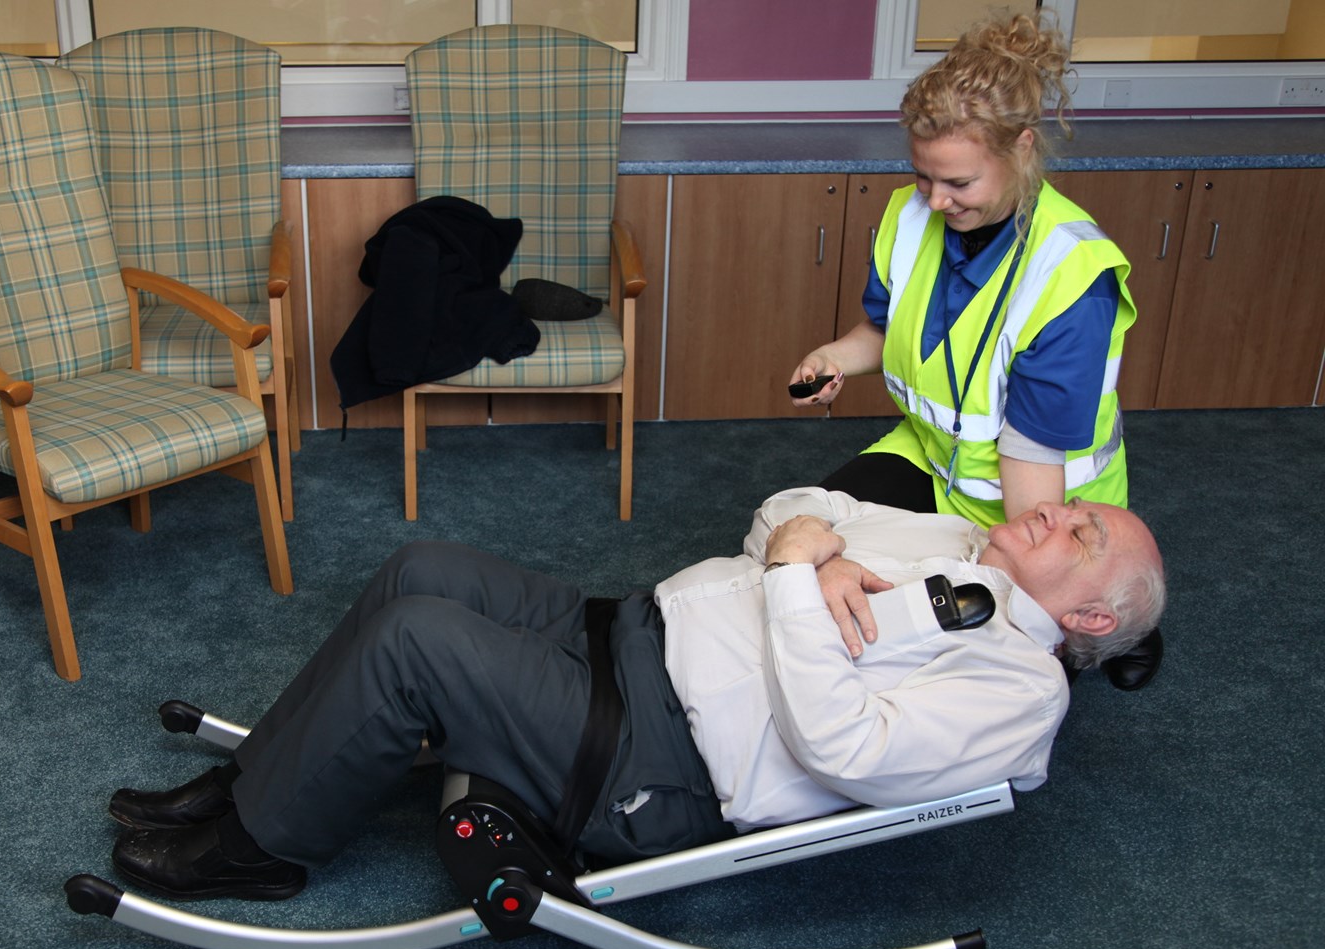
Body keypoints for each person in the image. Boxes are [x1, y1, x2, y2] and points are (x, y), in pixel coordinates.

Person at [105, 487, 1166, 902]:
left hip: (648, 758)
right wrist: (813, 547)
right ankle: (250, 779)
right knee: (421, 570)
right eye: (1075, 506)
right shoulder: (953, 537)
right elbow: (789, 508)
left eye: (1083, 538)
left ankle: (261, 846)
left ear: (1090, 623)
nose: (1056, 515)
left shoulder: (1016, 691)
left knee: (414, 642)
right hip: (618, 627)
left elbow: (844, 746)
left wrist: (799, 574)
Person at [790, 11, 1133, 529]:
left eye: (959, 183)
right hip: (935, 466)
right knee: (792, 537)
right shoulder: (908, 218)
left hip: (1042, 507)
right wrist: (830, 355)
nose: (935, 202)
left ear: (1021, 150)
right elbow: (892, 329)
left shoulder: (1072, 278)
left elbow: (1032, 478)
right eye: (923, 177)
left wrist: (1002, 584)